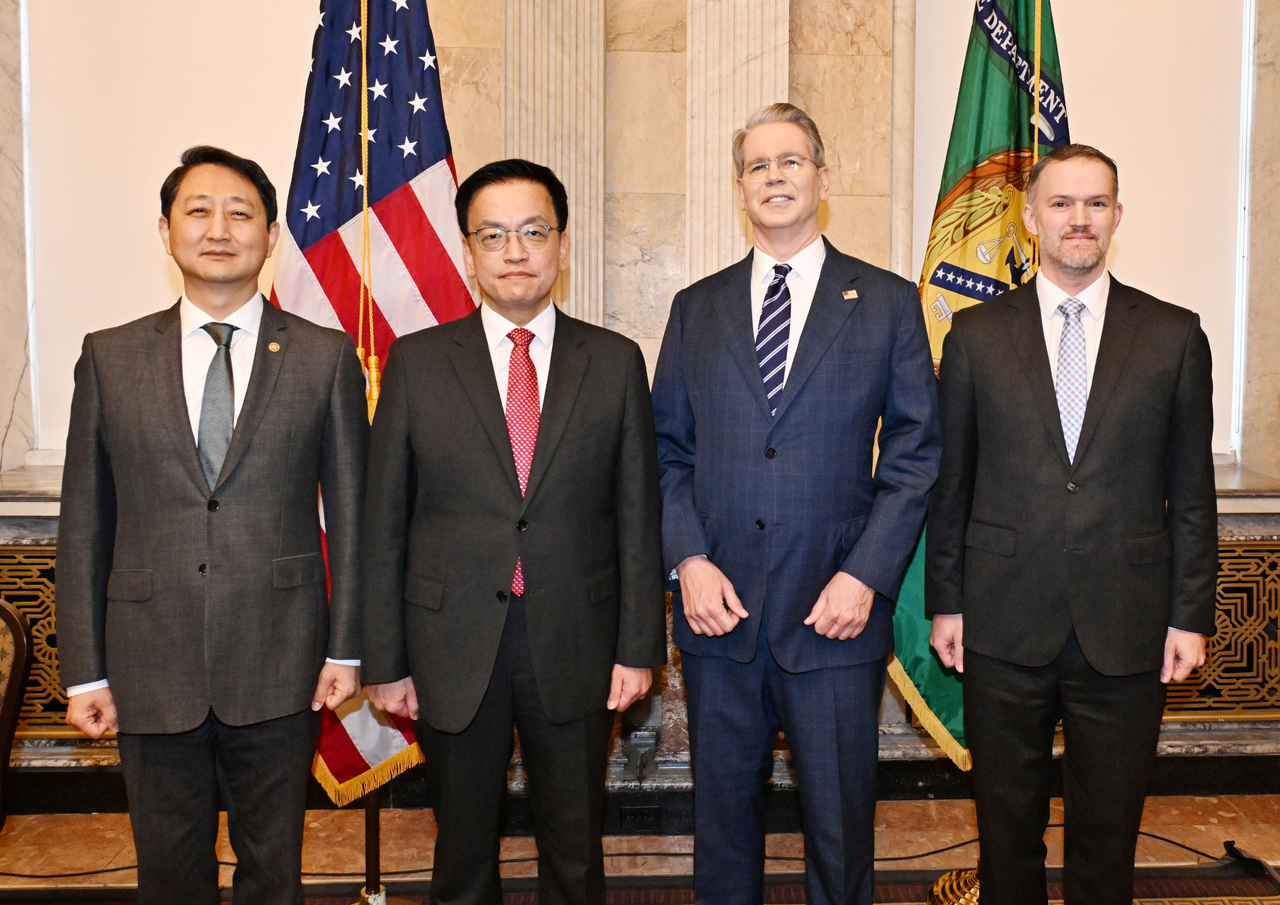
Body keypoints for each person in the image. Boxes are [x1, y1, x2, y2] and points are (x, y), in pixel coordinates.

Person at [57, 146, 367, 905]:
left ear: (270, 235)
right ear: (165, 231)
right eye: (198, 210)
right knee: (168, 874)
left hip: (282, 657)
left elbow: (355, 517)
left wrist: (347, 647)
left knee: (274, 872)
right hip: (148, 659)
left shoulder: (325, 358)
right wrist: (86, 668)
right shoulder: (110, 357)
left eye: (241, 212)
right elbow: (85, 521)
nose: (219, 228)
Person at [651, 103, 941, 905]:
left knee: (842, 830)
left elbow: (916, 453)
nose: (774, 176)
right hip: (721, 615)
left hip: (835, 614)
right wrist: (688, 560)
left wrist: (866, 576)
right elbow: (666, 452)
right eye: (757, 165)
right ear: (740, 186)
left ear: (823, 175)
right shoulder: (695, 308)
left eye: (791, 160)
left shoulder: (885, 302)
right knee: (722, 829)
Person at [361, 158, 666, 905]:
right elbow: (384, 523)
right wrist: (386, 659)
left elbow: (637, 515)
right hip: (450, 644)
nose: (515, 251)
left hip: (578, 640)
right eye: (493, 235)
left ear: (562, 245)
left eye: (534, 231)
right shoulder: (417, 362)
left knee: (574, 846)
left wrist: (637, 648)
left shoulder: (616, 360)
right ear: (468, 251)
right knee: (462, 852)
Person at [926, 143, 1217, 905]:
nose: (1078, 219)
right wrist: (945, 601)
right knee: (1005, 827)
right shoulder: (976, 336)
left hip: (1127, 623)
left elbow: (1191, 492)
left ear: (1117, 216)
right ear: (1029, 218)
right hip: (999, 619)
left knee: (1108, 832)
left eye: (1095, 203)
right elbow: (949, 484)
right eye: (1061, 203)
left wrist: (1190, 615)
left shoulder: (1174, 335)